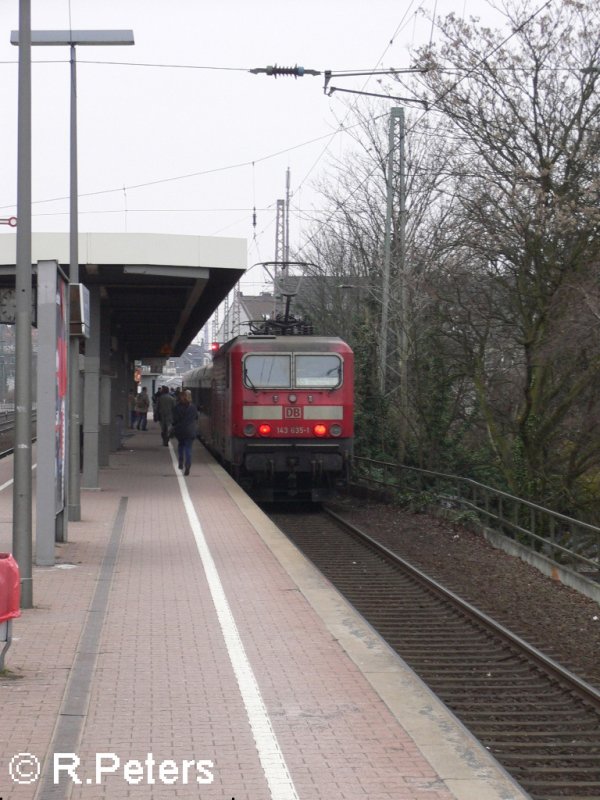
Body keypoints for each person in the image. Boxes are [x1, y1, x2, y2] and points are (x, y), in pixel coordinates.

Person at [170, 389, 198, 476]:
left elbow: (174, 420)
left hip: (180, 431)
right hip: (190, 431)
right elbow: (196, 417)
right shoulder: (193, 407)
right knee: (188, 448)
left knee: (181, 445)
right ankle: (188, 465)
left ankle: (181, 461)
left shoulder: (177, 407)